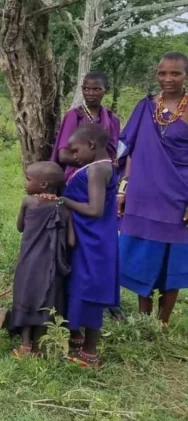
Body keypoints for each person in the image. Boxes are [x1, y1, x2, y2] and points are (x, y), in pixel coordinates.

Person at [118, 52, 188, 328]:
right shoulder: (145, 107)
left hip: (178, 198)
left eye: (175, 73)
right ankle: (143, 319)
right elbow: (127, 148)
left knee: (173, 260)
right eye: (162, 73)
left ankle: (163, 323)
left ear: (185, 75)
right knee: (141, 258)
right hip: (142, 195)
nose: (168, 79)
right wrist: (122, 190)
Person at [62, 123, 119, 368]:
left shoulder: (97, 170)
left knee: (91, 290)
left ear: (92, 146)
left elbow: (95, 209)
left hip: (94, 239)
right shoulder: (99, 166)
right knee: (80, 286)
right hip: (89, 236)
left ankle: (89, 352)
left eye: (75, 151)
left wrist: (65, 201)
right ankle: (77, 338)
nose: (73, 157)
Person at [10, 161, 74, 358]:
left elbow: (20, 227)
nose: (25, 183)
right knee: (46, 301)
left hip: (28, 262)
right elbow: (71, 242)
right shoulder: (63, 208)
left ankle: (25, 345)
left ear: (44, 184)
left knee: (25, 298)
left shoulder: (28, 202)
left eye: (28, 179)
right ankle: (38, 346)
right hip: (51, 266)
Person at [52, 71, 121, 180]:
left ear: (106, 90)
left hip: (106, 176)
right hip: (77, 175)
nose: (90, 93)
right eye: (86, 89)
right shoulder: (74, 116)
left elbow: (115, 154)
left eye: (96, 89)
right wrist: (98, 165)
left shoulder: (112, 119)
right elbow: (63, 155)